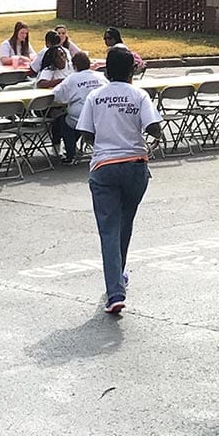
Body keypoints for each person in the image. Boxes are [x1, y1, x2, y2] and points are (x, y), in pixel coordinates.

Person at [76, 45, 162, 314]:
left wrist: (106, 137)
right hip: (135, 166)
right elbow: (154, 129)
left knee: (109, 229)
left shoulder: (95, 96)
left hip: (104, 166)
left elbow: (86, 134)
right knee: (125, 222)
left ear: (106, 70)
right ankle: (119, 275)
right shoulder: (139, 95)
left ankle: (115, 291)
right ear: (132, 71)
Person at [54, 51, 106, 166]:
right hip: (101, 116)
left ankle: (70, 154)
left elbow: (57, 94)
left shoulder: (72, 78)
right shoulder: (100, 77)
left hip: (79, 117)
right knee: (75, 123)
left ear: (74, 66)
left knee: (63, 121)